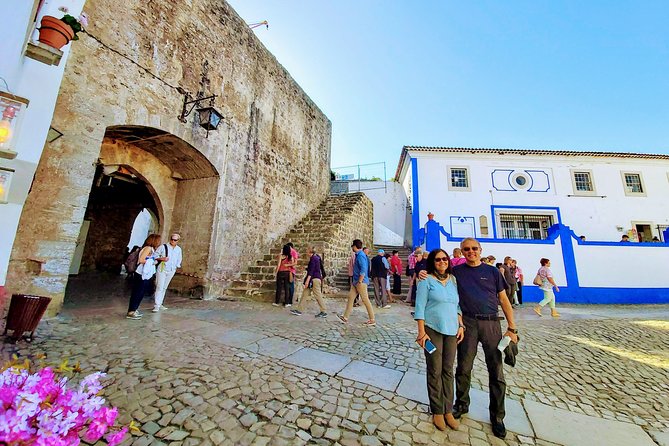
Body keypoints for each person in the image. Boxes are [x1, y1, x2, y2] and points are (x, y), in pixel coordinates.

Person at [421, 238, 518, 439]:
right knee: (463, 368)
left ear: (480, 250)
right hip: (468, 324)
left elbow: (503, 299)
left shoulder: (492, 271)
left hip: (492, 324)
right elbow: (439, 275)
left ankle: (497, 416)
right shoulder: (457, 273)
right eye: (467, 249)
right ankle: (461, 405)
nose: (471, 252)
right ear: (462, 252)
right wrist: (421, 273)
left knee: (496, 371)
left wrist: (512, 328)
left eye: (474, 248)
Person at [414, 249, 465, 431]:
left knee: (448, 370)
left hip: (451, 330)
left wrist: (460, 325)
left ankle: (448, 410)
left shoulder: (452, 280)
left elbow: (457, 305)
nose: (442, 262)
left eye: (445, 259)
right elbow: (419, 307)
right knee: (434, 369)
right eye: (438, 260)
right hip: (432, 330)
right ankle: (437, 410)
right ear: (432, 262)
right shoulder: (425, 280)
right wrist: (421, 332)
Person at [338, 239, 376, 326]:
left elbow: (363, 269)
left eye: (352, 246)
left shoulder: (361, 256)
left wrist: (360, 280)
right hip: (356, 281)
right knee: (351, 298)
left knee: (365, 300)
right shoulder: (358, 255)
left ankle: (372, 319)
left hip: (360, 282)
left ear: (355, 246)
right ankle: (345, 316)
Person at [127, 234, 164, 320]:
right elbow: (142, 260)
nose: (159, 242)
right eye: (158, 240)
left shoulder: (150, 249)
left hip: (143, 273)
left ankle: (134, 309)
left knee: (140, 292)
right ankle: (131, 311)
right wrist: (152, 261)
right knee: (138, 292)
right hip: (141, 273)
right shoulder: (148, 248)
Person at [291, 246, 327, 318]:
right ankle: (299, 310)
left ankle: (323, 311)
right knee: (305, 294)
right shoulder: (316, 257)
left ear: (310, 251)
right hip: (314, 279)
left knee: (317, 295)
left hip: (314, 279)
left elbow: (311, 271)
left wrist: (307, 281)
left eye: (307, 250)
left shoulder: (313, 258)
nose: (306, 252)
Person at [152, 233, 183, 313]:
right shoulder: (163, 247)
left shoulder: (178, 249)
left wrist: (177, 266)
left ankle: (160, 303)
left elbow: (179, 258)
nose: (173, 241)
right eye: (172, 239)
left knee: (164, 287)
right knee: (159, 286)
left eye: (175, 240)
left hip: (171, 269)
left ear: (178, 241)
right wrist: (162, 258)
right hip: (162, 268)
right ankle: (156, 305)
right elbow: (154, 256)